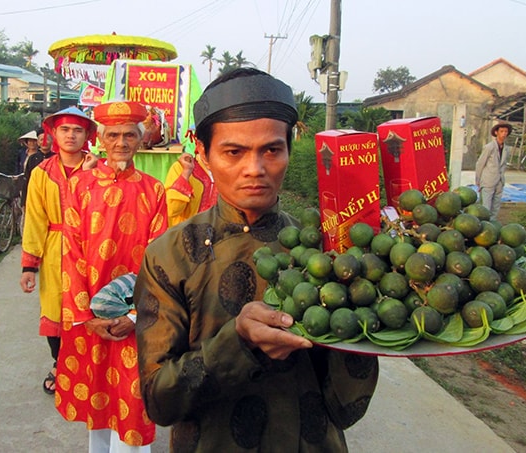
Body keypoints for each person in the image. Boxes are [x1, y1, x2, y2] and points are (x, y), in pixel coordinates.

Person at [133, 68, 379, 452]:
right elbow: (159, 401)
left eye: (271, 150)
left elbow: (346, 407)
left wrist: (371, 318)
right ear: (203, 153)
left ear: (288, 150)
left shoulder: (325, 251)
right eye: (234, 152)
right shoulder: (170, 255)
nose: (255, 169)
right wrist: (238, 341)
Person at [57, 100, 167, 452]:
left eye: (129, 135)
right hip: (91, 317)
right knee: (98, 398)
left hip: (136, 320)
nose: (121, 142)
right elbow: (70, 255)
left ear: (141, 139)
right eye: (114, 135)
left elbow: (160, 261)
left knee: (133, 400)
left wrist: (136, 315)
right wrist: (86, 316)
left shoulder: (155, 191)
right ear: (101, 139)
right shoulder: (79, 187)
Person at [20, 107, 97, 396]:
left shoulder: (98, 170)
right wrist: (29, 266)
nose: (71, 135)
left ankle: (89, 365)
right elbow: (36, 219)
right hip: (54, 249)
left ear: (87, 135)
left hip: (89, 250)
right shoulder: (41, 173)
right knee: (53, 308)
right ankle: (59, 363)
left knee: (87, 308)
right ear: (54, 133)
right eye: (65, 129)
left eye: (78, 130)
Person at [164, 149, 217, 226]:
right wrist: (186, 174)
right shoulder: (181, 168)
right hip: (184, 234)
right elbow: (172, 210)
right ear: (199, 145)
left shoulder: (229, 170)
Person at [475, 122, 512, 220]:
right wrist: (478, 181)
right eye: (502, 131)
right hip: (488, 180)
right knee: (486, 206)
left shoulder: (506, 149)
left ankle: (492, 225)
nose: (504, 134)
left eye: (506, 132)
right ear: (496, 133)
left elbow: (503, 165)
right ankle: (484, 225)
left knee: (496, 206)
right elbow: (480, 164)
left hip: (499, 181)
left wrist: (502, 179)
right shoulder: (489, 147)